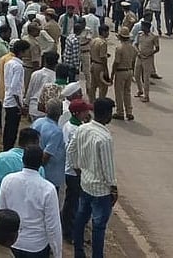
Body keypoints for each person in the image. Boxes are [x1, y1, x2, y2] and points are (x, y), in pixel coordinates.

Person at [67, 97, 118, 258]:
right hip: (101, 190)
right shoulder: (104, 138)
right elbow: (108, 168)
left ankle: (78, 253)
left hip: (85, 183)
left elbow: (71, 150)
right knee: (98, 226)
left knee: (81, 219)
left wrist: (77, 168)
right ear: (107, 114)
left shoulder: (82, 129)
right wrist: (113, 188)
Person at [0, 145, 62, 258]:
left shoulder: (8, 180)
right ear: (41, 162)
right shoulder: (48, 189)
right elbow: (53, 226)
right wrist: (57, 253)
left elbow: (0, 212)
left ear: (23, 159)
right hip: (36, 247)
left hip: (11, 243)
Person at [61, 98, 91, 241]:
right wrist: (79, 169)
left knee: (71, 201)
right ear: (78, 113)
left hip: (69, 169)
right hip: (74, 171)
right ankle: (70, 232)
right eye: (85, 111)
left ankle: (67, 227)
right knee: (74, 203)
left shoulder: (68, 125)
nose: (87, 113)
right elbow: (74, 151)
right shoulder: (77, 130)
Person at [31, 99, 67, 194]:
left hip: (36, 172)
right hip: (50, 175)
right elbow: (46, 156)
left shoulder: (37, 122)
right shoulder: (57, 132)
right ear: (61, 112)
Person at [3, 40, 29, 150]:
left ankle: (6, 147)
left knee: (8, 127)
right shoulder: (18, 67)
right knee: (12, 129)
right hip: (14, 102)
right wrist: (20, 106)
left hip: (8, 99)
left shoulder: (9, 63)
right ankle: (8, 148)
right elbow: (15, 88)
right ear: (21, 52)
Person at [111, 27, 136, 121]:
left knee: (119, 92)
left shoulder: (119, 48)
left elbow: (116, 62)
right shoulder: (132, 48)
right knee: (127, 92)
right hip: (129, 70)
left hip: (120, 71)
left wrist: (112, 74)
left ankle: (120, 112)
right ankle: (129, 112)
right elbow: (134, 59)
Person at [134, 21, 159, 103]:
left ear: (147, 28)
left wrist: (150, 54)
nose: (142, 28)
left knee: (146, 78)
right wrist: (138, 52)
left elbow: (157, 48)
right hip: (140, 56)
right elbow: (136, 44)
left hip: (148, 58)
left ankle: (146, 95)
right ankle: (140, 90)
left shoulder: (153, 37)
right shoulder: (140, 34)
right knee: (136, 74)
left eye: (143, 26)